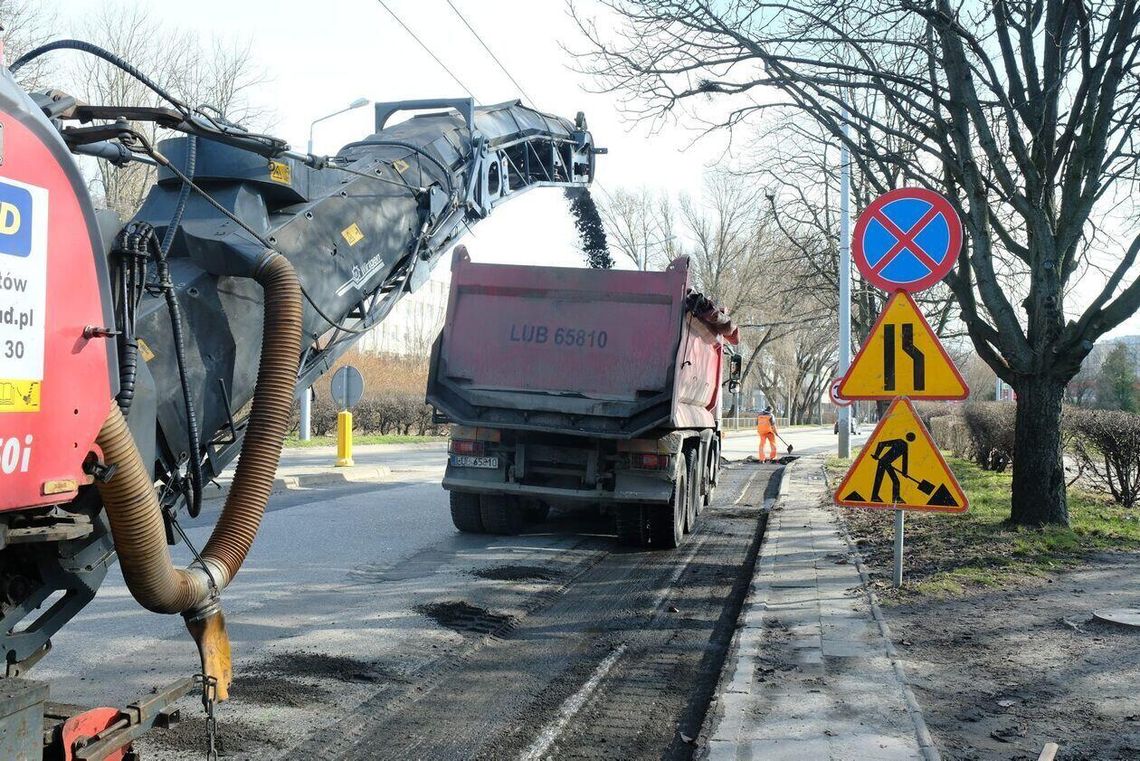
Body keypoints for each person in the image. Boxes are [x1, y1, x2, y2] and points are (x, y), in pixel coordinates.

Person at [871, 432, 916, 503]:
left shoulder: (904, 445)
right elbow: (881, 444)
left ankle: (875, 497)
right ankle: (895, 498)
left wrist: (904, 472)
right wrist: (876, 455)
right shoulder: (900, 442)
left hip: (884, 462)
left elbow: (905, 460)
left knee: (879, 480)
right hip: (885, 462)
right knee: (895, 481)